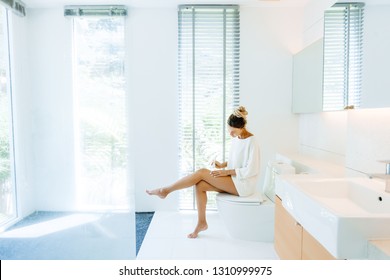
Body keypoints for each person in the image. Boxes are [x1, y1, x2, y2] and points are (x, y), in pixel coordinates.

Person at [146, 106, 260, 238]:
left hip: (244, 185)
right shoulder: (236, 139)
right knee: (200, 185)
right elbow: (238, 161)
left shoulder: (252, 141)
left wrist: (226, 172)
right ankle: (202, 223)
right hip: (234, 180)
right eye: (229, 131)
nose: (231, 135)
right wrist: (222, 165)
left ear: (242, 127)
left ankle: (165, 191)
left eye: (233, 132)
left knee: (201, 173)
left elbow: (252, 169)